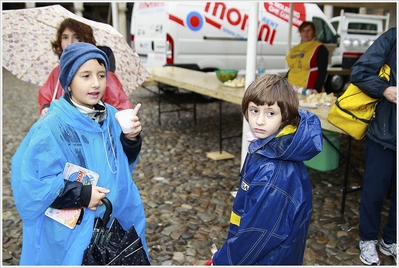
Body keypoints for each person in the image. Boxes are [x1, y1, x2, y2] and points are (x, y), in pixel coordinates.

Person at [11, 42, 148, 265]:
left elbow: (122, 163)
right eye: (85, 76)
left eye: (102, 75)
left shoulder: (112, 116)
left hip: (116, 216)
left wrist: (130, 139)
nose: (96, 83)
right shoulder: (51, 126)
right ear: (69, 82)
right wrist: (82, 195)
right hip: (70, 230)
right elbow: (32, 184)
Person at [210, 74, 323, 265]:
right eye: (254, 111)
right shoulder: (267, 147)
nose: (259, 121)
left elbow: (258, 234)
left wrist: (223, 261)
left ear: (285, 116)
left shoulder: (274, 170)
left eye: (270, 113)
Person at [351, 27, 397, 266]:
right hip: (384, 134)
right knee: (374, 191)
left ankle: (391, 240)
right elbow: (359, 72)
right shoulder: (393, 37)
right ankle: (368, 239)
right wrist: (384, 89)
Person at [38, 18, 132, 116]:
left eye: (76, 37)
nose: (69, 43)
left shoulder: (102, 73)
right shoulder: (58, 71)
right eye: (65, 37)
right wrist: (46, 106)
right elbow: (46, 94)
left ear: (86, 39)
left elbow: (121, 109)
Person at [286, 21, 329, 93]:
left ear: (314, 32)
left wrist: (316, 89)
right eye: (303, 30)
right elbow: (292, 68)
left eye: (309, 30)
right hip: (292, 86)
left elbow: (322, 71)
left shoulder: (320, 48)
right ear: (300, 33)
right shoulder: (295, 48)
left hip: (308, 89)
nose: (306, 33)